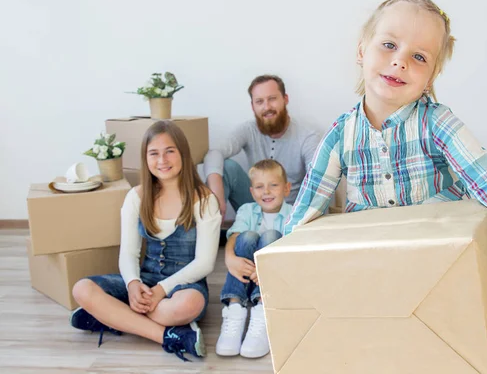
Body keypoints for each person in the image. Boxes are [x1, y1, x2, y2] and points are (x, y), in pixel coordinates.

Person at [284, 0, 487, 367]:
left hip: (442, 279)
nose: (400, 60)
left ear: (431, 75)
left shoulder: (439, 125)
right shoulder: (340, 134)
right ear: (361, 50)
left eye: (419, 56)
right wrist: (281, 271)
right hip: (372, 281)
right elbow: (305, 210)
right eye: (388, 44)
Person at [70, 120, 221, 362]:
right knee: (82, 289)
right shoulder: (136, 197)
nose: (162, 160)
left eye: (170, 151)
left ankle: (113, 316)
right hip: (145, 280)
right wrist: (132, 284)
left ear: (183, 153)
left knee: (189, 305)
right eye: (154, 153)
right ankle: (169, 336)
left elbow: (204, 263)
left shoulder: (203, 199)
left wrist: (162, 290)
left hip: (184, 285)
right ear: (145, 158)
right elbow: (128, 253)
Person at [202, 74, 320, 221]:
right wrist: (216, 194)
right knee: (227, 167)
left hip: (291, 213)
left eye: (272, 99)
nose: (267, 107)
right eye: (259, 101)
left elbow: (319, 181)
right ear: (253, 106)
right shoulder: (248, 129)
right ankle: (210, 236)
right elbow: (215, 152)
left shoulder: (307, 136)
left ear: (285, 99)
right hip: (255, 209)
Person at [215, 159, 292, 358]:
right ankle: (234, 309)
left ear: (286, 188)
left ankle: (262, 310)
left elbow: (292, 255)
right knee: (247, 236)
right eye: (259, 187)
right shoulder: (246, 210)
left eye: (273, 185)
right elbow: (233, 236)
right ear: (252, 192)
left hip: (272, 281)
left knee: (271, 236)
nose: (266, 192)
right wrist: (230, 259)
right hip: (245, 277)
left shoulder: (293, 215)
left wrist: (266, 271)